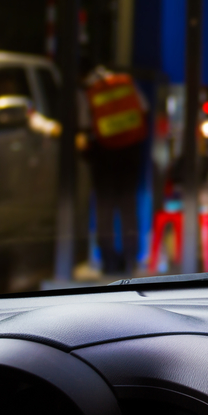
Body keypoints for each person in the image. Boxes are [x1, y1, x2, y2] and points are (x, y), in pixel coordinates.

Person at [77, 65, 149, 276]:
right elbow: (144, 110)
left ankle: (109, 262)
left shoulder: (88, 91)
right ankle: (130, 259)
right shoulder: (124, 83)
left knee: (104, 209)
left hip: (103, 153)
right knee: (128, 206)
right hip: (130, 152)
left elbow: (84, 127)